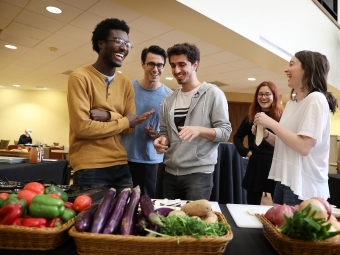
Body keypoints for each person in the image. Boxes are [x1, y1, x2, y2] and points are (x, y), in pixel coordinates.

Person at [67, 18, 154, 195]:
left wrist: (108, 116)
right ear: (101, 43)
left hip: (121, 166)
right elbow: (83, 128)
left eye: (127, 43)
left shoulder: (125, 83)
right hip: (89, 168)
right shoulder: (80, 78)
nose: (124, 47)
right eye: (118, 41)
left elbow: (130, 128)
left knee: (127, 221)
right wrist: (123, 121)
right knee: (92, 222)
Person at [254, 50, 338, 206]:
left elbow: (304, 146)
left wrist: (272, 123)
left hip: (303, 186)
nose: (286, 69)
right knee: (278, 230)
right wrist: (266, 134)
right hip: (287, 179)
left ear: (307, 69)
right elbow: (284, 142)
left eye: (291, 64)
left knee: (290, 230)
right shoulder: (293, 104)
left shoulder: (316, 99)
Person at [153, 42, 232, 201]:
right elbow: (164, 132)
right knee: (170, 220)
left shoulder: (213, 94)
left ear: (195, 64)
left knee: (195, 222)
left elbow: (225, 132)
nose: (176, 70)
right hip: (170, 173)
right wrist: (162, 140)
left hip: (199, 174)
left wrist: (199, 130)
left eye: (182, 64)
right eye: (173, 65)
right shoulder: (168, 99)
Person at [121, 45, 172, 198]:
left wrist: (157, 135)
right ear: (143, 64)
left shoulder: (170, 96)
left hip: (151, 162)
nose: (155, 69)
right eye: (151, 63)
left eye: (160, 65)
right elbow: (116, 118)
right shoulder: (128, 88)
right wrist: (131, 122)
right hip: (123, 157)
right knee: (120, 204)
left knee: (146, 205)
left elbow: (169, 133)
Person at [234, 81, 283, 205]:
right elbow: (237, 137)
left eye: (267, 94)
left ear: (274, 96)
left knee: (278, 206)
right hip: (256, 163)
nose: (263, 97)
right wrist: (246, 152)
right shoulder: (251, 117)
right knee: (252, 204)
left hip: (275, 163)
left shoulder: (282, 117)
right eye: (260, 94)